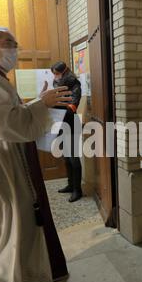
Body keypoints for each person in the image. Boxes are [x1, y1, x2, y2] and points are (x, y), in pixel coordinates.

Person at [0, 26, 72, 282]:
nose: (14, 48)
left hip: (0, 148)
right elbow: (7, 122)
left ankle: (19, 280)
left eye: (15, 43)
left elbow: (9, 115)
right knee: (13, 222)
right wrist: (41, 104)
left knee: (14, 221)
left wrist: (37, 102)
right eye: (8, 43)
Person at [51, 61, 83, 203]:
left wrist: (56, 106)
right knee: (66, 156)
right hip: (59, 122)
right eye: (54, 74)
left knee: (74, 158)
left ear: (64, 72)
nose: (55, 76)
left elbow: (73, 106)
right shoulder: (57, 85)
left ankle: (77, 190)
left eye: (56, 73)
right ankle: (70, 185)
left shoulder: (75, 84)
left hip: (71, 123)